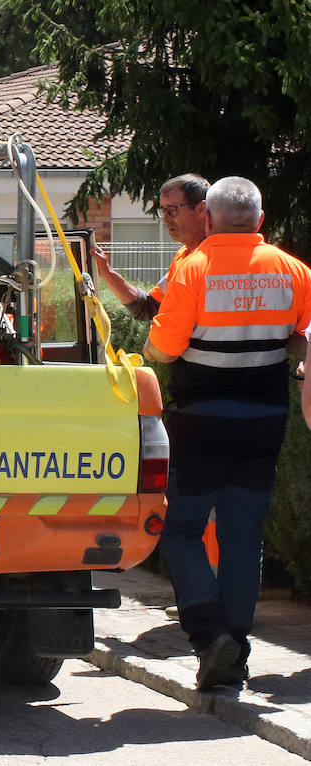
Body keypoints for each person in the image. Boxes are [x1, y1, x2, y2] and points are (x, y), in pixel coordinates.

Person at [144, 176, 311, 690]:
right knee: (244, 536)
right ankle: (234, 649)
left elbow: (162, 350)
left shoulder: (192, 269)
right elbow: (302, 342)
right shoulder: (294, 271)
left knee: (180, 529)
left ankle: (210, 634)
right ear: (259, 221)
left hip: (201, 419)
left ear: (209, 219)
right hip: (265, 419)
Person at [94, 173, 210, 319]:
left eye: (172, 210)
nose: (165, 219)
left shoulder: (217, 257)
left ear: (201, 209)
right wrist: (105, 272)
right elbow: (149, 306)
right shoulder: (183, 256)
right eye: (163, 211)